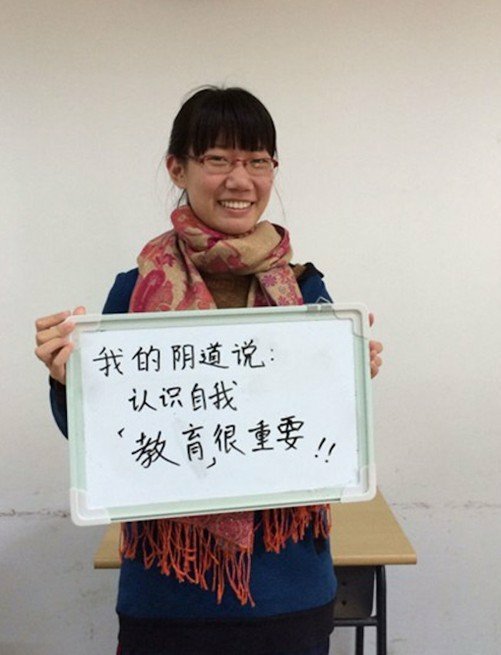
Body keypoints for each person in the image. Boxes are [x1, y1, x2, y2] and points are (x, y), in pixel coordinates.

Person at [35, 86, 383, 655]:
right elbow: (98, 443)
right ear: (178, 167)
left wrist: (352, 384)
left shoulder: (306, 292)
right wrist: (63, 380)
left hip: (290, 588)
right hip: (168, 594)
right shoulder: (133, 292)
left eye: (257, 161)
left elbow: (331, 438)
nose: (239, 180)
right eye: (218, 159)